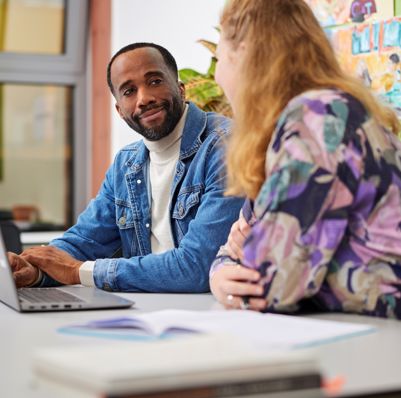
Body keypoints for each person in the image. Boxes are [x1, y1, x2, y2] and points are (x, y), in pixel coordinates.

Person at [210, 0, 401, 318]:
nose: (216, 76)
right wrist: (221, 274)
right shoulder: (308, 118)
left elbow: (272, 286)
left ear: (244, 54)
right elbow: (240, 240)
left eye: (220, 58)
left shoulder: (317, 117)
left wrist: (249, 258)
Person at [9, 42, 243, 292]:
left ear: (181, 89)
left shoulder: (226, 145)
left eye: (154, 81)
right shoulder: (126, 164)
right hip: (145, 310)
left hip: (209, 314)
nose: (144, 99)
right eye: (129, 91)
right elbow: (85, 240)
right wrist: (33, 269)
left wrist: (79, 272)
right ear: (120, 110)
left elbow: (198, 266)